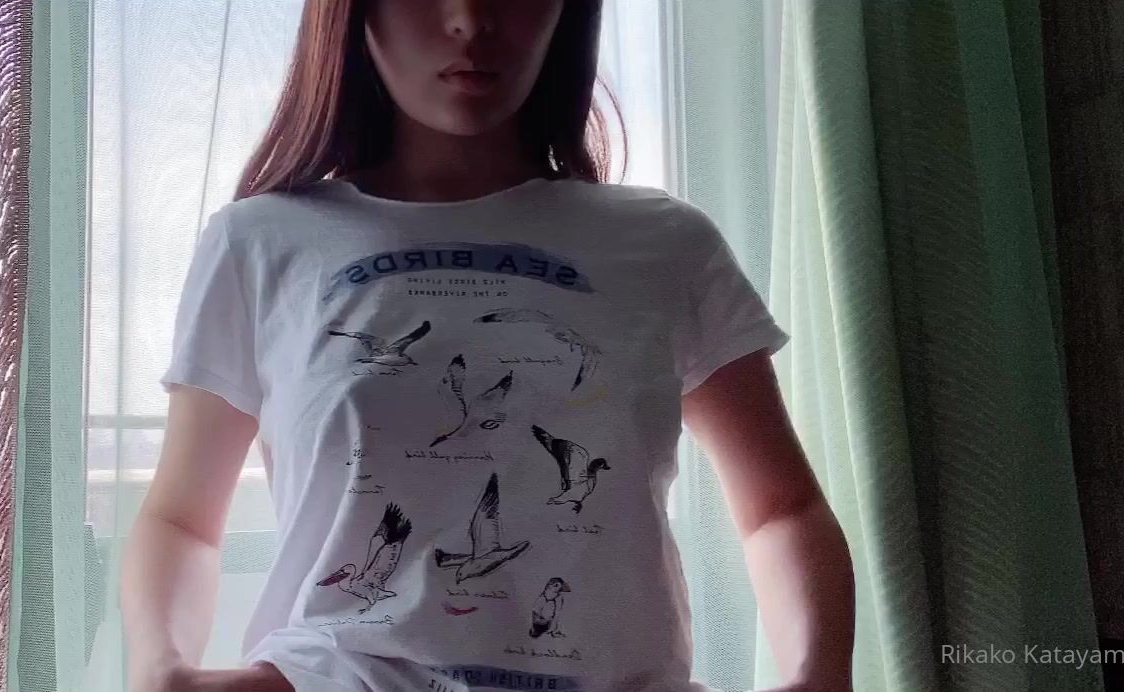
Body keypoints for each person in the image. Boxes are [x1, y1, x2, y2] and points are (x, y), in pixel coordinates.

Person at [122, 1, 855, 690]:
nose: (471, 19)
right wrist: (162, 669)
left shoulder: (664, 243)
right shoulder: (261, 242)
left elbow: (780, 507)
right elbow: (184, 517)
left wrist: (818, 675)